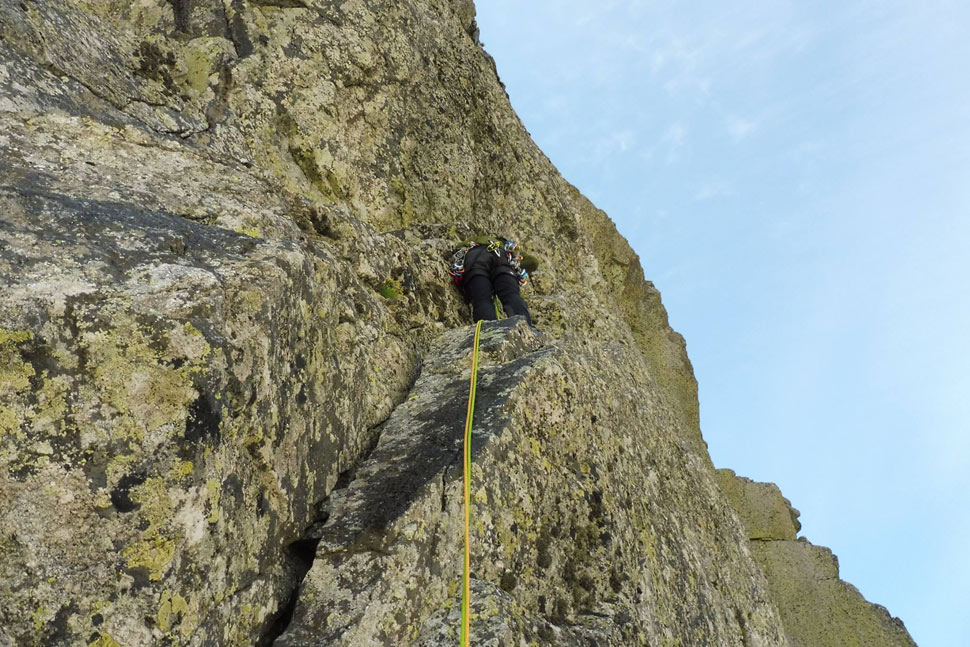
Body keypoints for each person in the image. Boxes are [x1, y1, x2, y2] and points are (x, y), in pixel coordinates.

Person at [449, 236, 538, 326]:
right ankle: (525, 328)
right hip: (502, 260)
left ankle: (489, 331)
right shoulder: (506, 246)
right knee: (511, 296)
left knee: (482, 300)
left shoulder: (470, 242)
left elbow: (458, 249)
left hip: (475, 260)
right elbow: (533, 262)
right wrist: (516, 267)